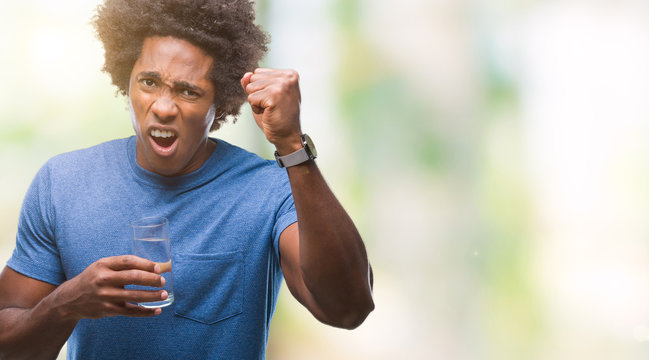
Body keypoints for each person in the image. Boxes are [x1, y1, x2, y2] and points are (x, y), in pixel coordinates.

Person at [0, 0, 374, 358]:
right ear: (125, 79)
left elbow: (347, 309)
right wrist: (66, 304)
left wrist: (292, 146)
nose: (163, 107)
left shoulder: (268, 190)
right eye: (148, 82)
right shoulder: (62, 183)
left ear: (220, 103)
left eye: (188, 91)